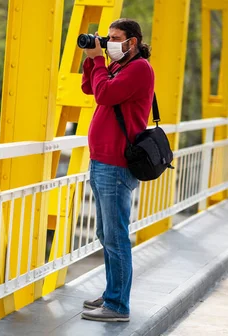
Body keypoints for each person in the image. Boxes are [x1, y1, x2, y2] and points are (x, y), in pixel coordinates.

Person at [79, 19, 155, 322]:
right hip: (102, 161)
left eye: (115, 38)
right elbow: (90, 87)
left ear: (132, 42)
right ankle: (113, 294)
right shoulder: (119, 66)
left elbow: (104, 96)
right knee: (105, 232)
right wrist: (92, 60)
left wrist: (98, 59)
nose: (109, 42)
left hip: (116, 164)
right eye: (106, 38)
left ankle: (118, 306)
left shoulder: (138, 69)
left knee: (116, 235)